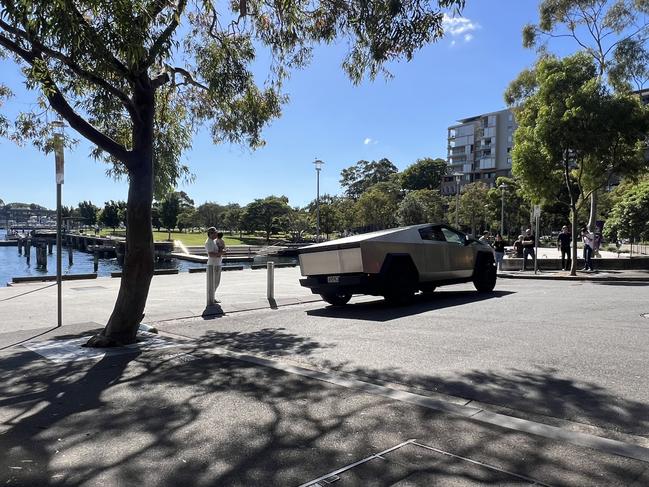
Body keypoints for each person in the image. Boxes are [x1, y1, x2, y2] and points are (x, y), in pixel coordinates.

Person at [205, 227, 223, 305]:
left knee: (216, 282)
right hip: (213, 265)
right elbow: (211, 254)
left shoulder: (213, 241)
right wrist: (221, 253)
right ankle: (211, 298)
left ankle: (212, 297)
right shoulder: (209, 242)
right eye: (215, 233)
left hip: (216, 264)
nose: (216, 234)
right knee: (214, 283)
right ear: (211, 234)